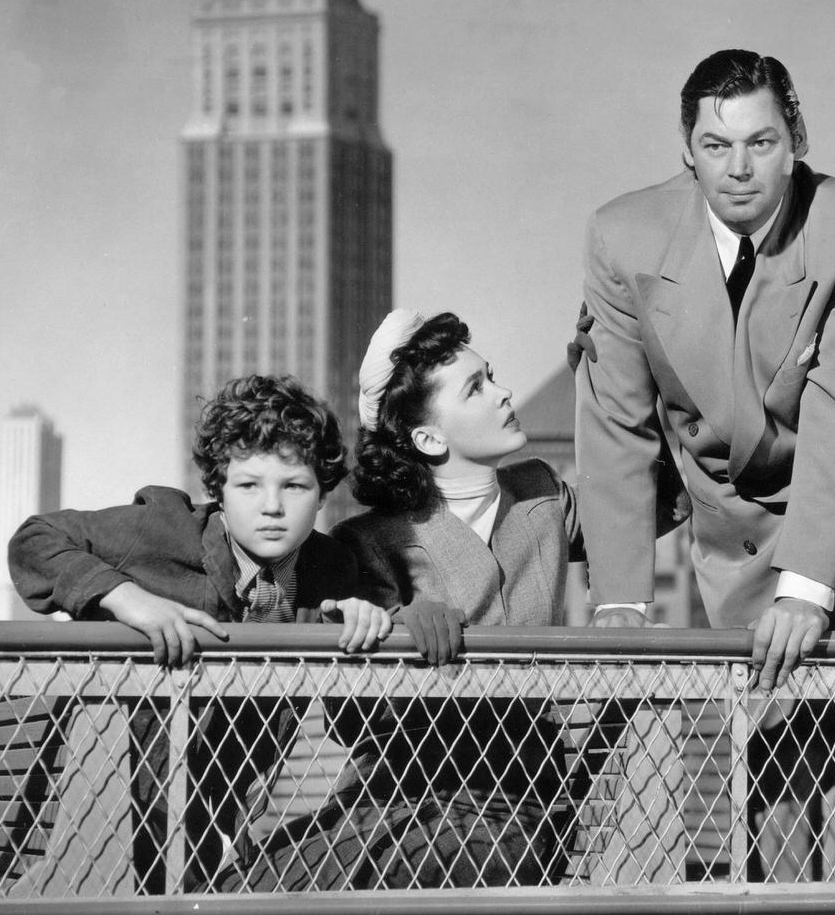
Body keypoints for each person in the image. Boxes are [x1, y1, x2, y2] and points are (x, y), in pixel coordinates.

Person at [573, 49, 835, 880]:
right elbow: (616, 424)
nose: (738, 170)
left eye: (760, 143)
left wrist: (808, 584)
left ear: (795, 137)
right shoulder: (622, 237)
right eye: (716, 146)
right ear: (686, 148)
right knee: (777, 753)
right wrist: (620, 601)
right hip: (730, 500)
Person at [0, 375, 396, 896]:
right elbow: (35, 539)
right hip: (79, 792)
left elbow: (351, 723)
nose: (272, 506)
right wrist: (123, 596)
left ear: (321, 496)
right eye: (249, 485)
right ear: (219, 490)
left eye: (294, 485)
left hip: (203, 811)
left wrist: (363, 628)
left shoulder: (332, 569)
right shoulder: (163, 529)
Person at [227, 311, 591, 890]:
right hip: (394, 790)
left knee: (265, 886)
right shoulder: (370, 540)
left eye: (491, 377)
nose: (504, 393)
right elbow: (351, 720)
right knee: (252, 884)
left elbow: (646, 509)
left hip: (514, 798)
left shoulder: (541, 494)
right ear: (428, 437)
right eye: (477, 387)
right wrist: (395, 626)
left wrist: (609, 378)